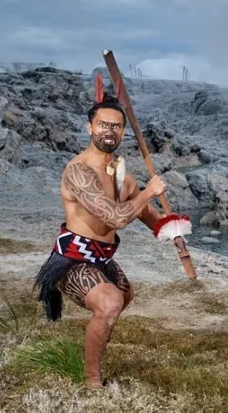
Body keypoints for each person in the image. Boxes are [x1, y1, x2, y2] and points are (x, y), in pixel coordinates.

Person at [34, 77, 168, 389]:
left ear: (123, 131)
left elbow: (145, 213)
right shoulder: (78, 171)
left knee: (123, 298)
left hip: (102, 257)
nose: (110, 131)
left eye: (116, 126)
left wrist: (169, 228)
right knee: (109, 304)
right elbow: (116, 216)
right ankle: (92, 381)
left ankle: (98, 340)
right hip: (73, 258)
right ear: (89, 128)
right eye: (103, 124)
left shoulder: (118, 169)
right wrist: (149, 192)